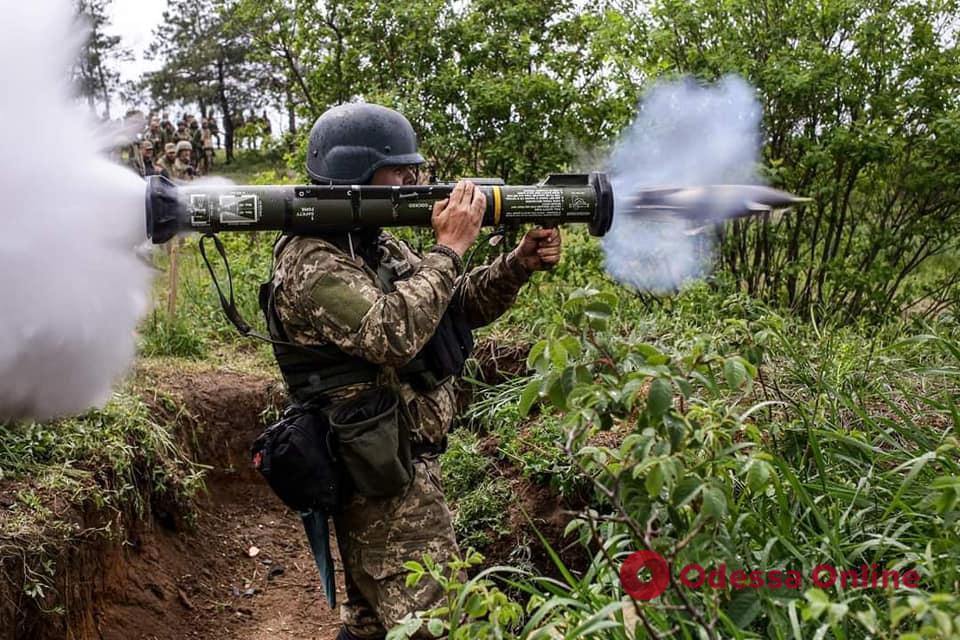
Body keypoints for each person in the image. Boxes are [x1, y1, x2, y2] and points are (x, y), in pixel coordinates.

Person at [262, 103, 562, 640]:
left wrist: (518, 264)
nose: (415, 181)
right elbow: (391, 332)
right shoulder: (311, 260)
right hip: (379, 482)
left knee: (373, 624)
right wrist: (450, 248)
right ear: (354, 172)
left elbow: (448, 307)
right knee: (440, 626)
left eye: (414, 169)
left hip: (400, 467)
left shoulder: (374, 242)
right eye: (400, 171)